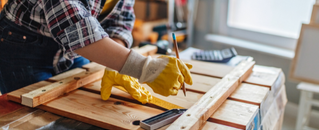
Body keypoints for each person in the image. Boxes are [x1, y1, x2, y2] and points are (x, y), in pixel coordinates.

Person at [0, 0, 192, 103]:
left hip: (74, 49)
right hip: (23, 44)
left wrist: (116, 64)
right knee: (32, 116)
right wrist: (143, 67)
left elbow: (121, 19)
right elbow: (73, 25)